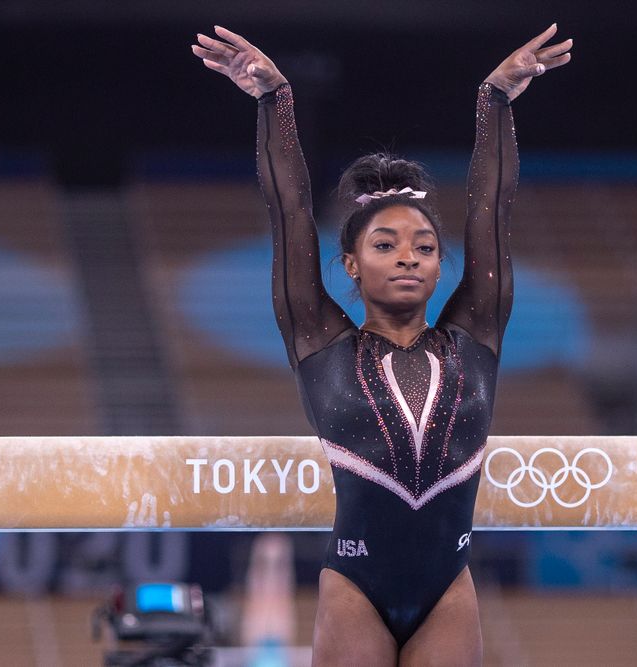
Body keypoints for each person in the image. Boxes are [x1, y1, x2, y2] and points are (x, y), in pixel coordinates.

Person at [191, 23, 572, 665]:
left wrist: (495, 103)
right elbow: (289, 213)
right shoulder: (317, 339)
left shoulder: (475, 335)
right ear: (350, 264)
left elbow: (491, 210)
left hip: (448, 589)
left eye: (425, 247)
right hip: (355, 592)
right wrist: (274, 100)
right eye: (386, 244)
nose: (409, 258)